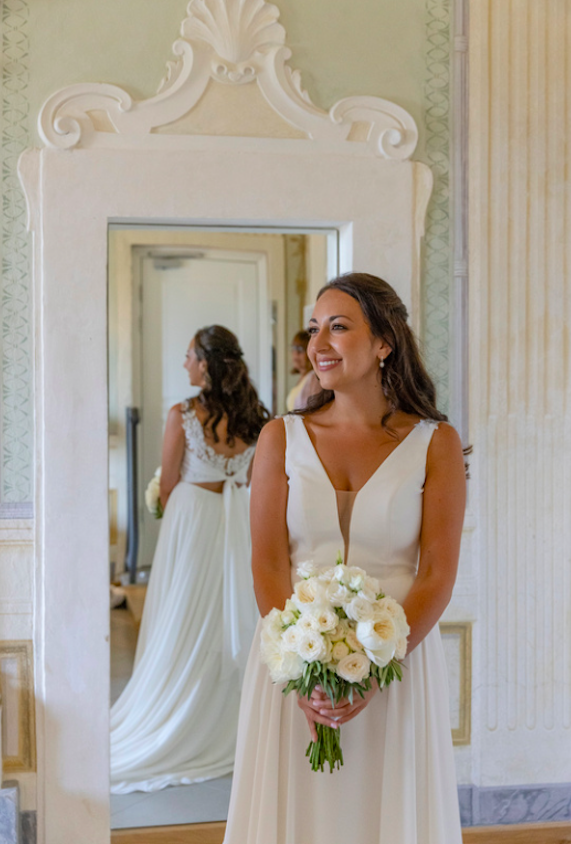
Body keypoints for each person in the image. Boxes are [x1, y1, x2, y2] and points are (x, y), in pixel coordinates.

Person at [224, 273, 466, 843]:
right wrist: (302, 666)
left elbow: (436, 572)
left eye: (338, 327)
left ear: (384, 342)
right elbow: (267, 562)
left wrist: (379, 671)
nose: (319, 343)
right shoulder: (280, 437)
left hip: (397, 665)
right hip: (294, 666)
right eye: (314, 329)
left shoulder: (437, 444)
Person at [110, 325, 270, 794]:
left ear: (206, 363)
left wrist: (162, 503)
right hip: (238, 520)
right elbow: (258, 482)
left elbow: (170, 482)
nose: (184, 364)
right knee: (231, 617)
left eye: (188, 356)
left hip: (193, 522)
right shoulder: (257, 419)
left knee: (180, 618)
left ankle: (178, 709)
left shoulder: (182, 413)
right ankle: (227, 717)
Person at [286, 329, 320, 411]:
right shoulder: (303, 377)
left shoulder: (314, 378)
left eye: (301, 349)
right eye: (294, 348)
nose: (296, 353)